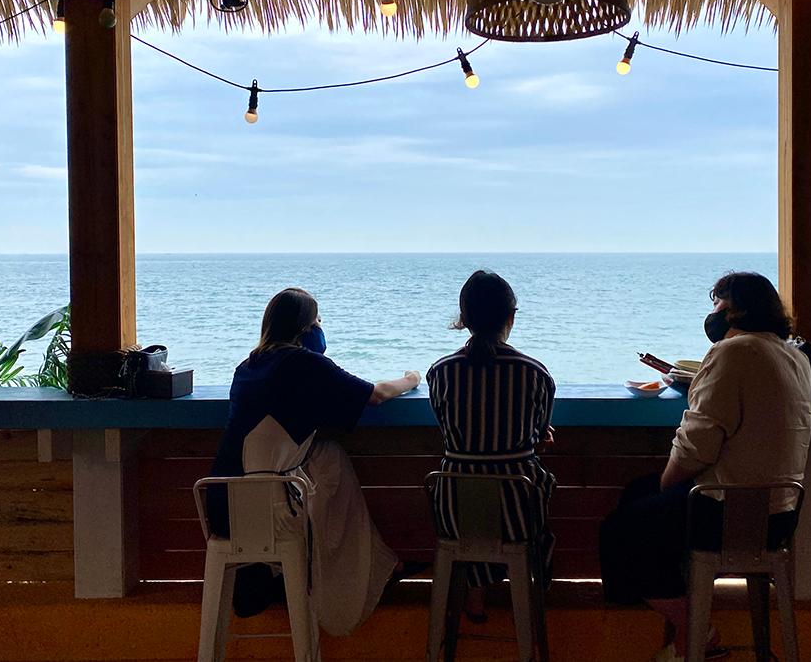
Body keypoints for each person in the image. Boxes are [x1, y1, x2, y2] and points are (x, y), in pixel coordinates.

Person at [599, 272, 811, 662]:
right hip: (779, 514)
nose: (713, 314)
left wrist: (667, 481)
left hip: (726, 514)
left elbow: (697, 444)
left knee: (620, 531)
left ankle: (697, 630)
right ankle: (686, 641)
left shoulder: (733, 353)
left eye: (718, 305)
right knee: (638, 497)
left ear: (738, 311)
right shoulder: (795, 357)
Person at [206, 287, 421, 634]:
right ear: (306, 329)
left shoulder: (246, 367)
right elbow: (377, 395)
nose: (322, 328)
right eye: (319, 321)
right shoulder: (305, 363)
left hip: (221, 506)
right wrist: (411, 379)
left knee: (327, 456)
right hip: (267, 515)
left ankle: (299, 575)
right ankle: (343, 581)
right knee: (330, 464)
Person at [426, 270, 556, 622]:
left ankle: (475, 594)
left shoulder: (440, 372)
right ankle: (527, 590)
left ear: (463, 320)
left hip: (454, 510)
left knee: (476, 497)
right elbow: (538, 434)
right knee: (521, 500)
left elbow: (449, 431)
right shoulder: (535, 373)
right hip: (517, 510)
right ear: (511, 316)